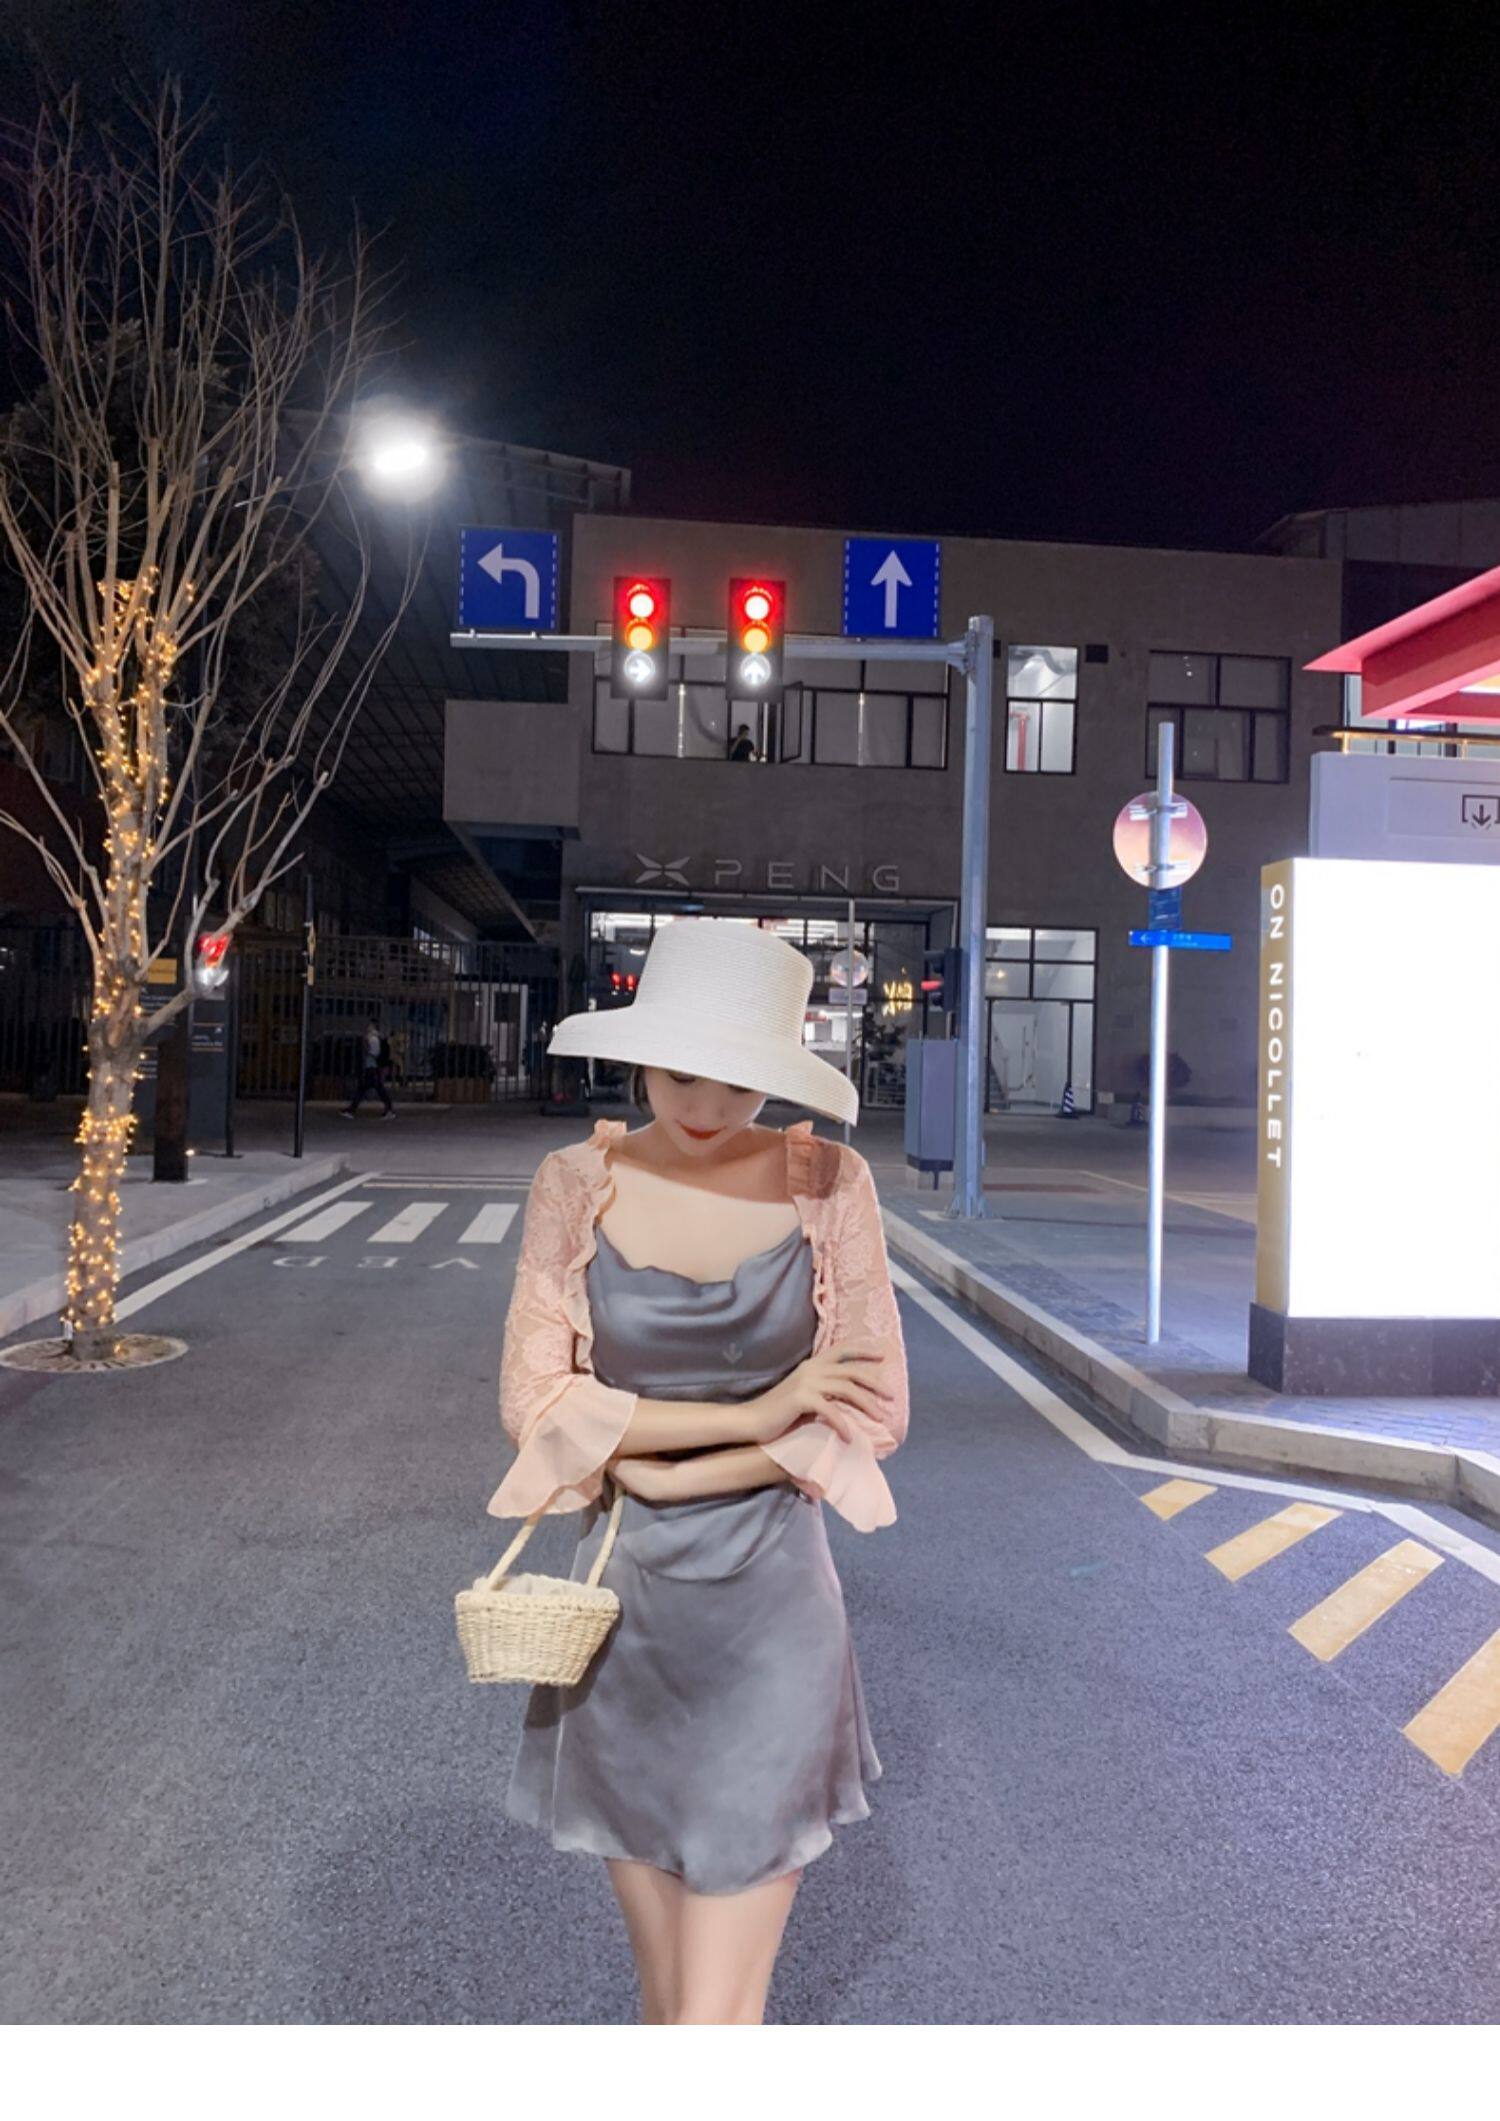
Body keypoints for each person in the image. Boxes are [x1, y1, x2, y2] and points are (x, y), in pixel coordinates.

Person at [488, 920, 910, 2025]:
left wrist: (665, 1469)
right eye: (683, 1075)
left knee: (711, 2020)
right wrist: (765, 1413)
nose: (709, 1106)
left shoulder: (832, 1183)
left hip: (774, 1620)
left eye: (739, 1080)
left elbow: (877, 1412)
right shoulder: (576, 1182)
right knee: (672, 2003)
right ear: (641, 1057)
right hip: (625, 1629)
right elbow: (533, 1404)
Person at [343, 1015, 394, 1118]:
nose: (367, 1026)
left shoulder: (373, 1038)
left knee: (369, 1089)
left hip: (372, 1067)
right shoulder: (373, 1037)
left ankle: (351, 1110)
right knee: (372, 1089)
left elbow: (375, 1053)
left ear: (373, 1026)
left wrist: (366, 1050)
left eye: (370, 1025)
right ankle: (351, 1110)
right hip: (372, 1067)